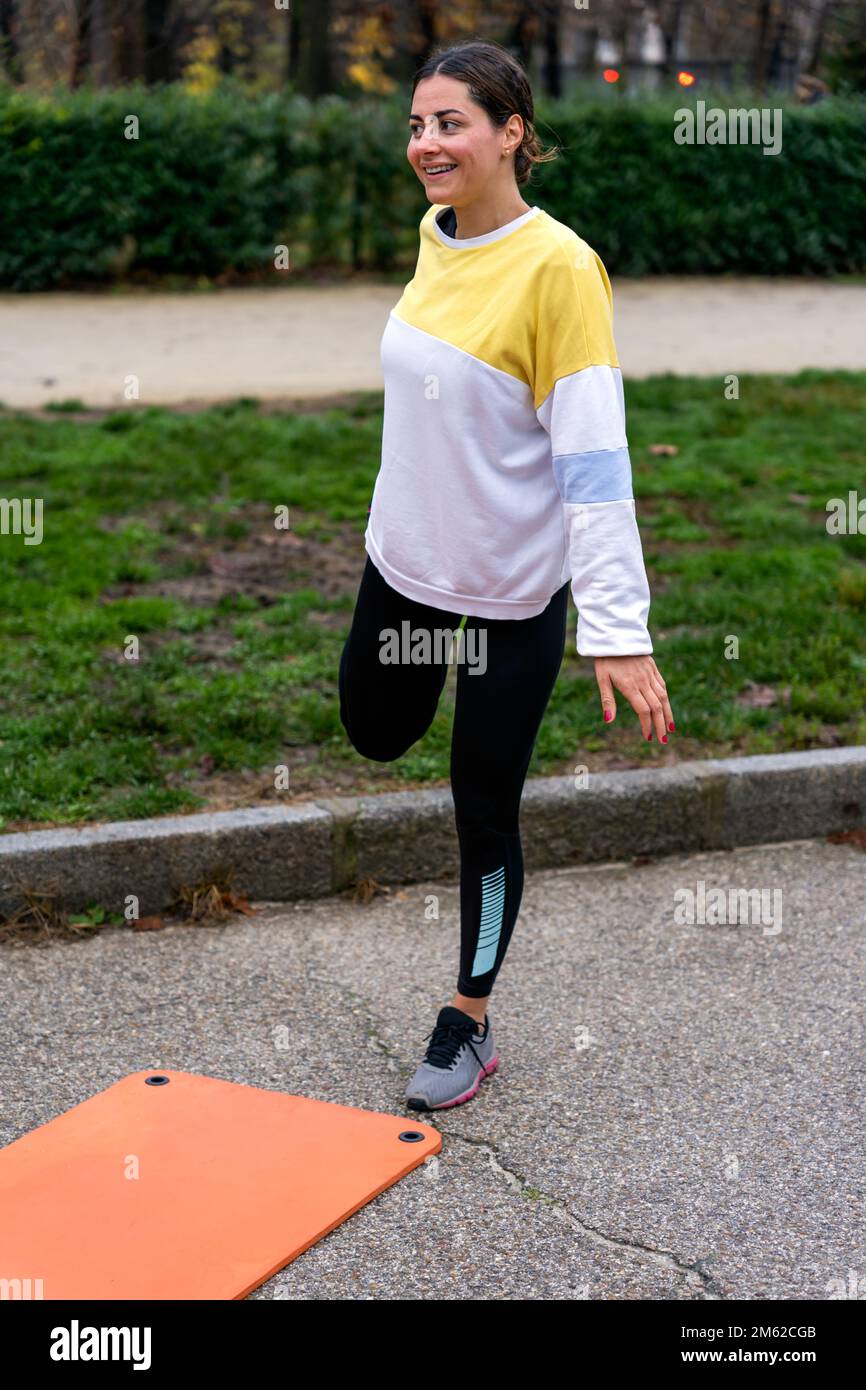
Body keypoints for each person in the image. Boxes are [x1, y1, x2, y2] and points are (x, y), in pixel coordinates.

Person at [338, 38, 674, 1111]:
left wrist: (615, 626)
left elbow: (591, 463)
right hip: (403, 570)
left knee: (482, 808)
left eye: (450, 123)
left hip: (506, 600)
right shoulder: (435, 238)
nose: (426, 143)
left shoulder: (559, 269)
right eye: (416, 124)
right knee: (373, 730)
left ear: (512, 132)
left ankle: (467, 1018)